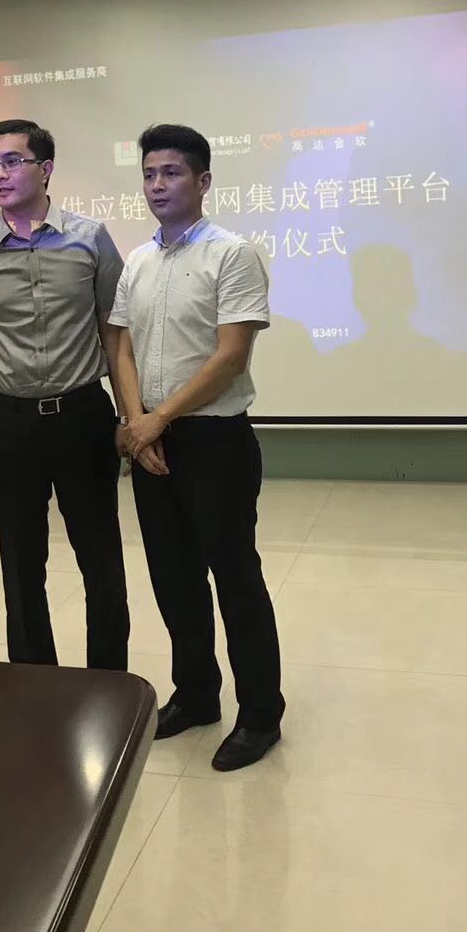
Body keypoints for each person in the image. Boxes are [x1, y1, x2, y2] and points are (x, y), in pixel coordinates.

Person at [109, 123, 285, 771]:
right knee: (173, 577)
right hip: (151, 439)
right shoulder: (138, 260)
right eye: (149, 174)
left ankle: (260, 714)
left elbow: (231, 355)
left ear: (203, 180)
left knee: (235, 577)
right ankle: (196, 695)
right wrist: (136, 421)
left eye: (172, 173)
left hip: (214, 440)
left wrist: (157, 420)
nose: (158, 185)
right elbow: (121, 346)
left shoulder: (232, 254)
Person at [0, 118, 129, 671]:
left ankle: (107, 682)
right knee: (20, 562)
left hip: (82, 415)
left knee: (101, 558)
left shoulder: (90, 238)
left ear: (45, 168)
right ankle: (34, 684)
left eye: (13, 161)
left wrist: (131, 418)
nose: (0, 174)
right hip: (8, 424)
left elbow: (115, 332)